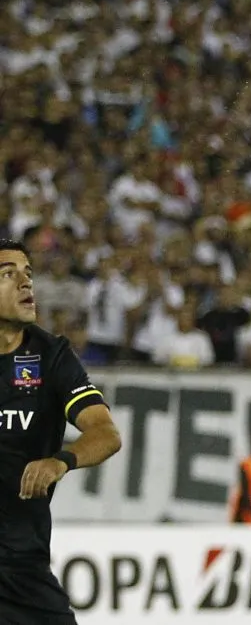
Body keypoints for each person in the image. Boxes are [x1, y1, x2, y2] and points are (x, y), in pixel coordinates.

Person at [0, 238, 123, 623]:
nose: (25, 282)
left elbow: (106, 434)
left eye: (28, 273)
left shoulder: (51, 356)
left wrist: (60, 461)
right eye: (8, 274)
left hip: (21, 569)